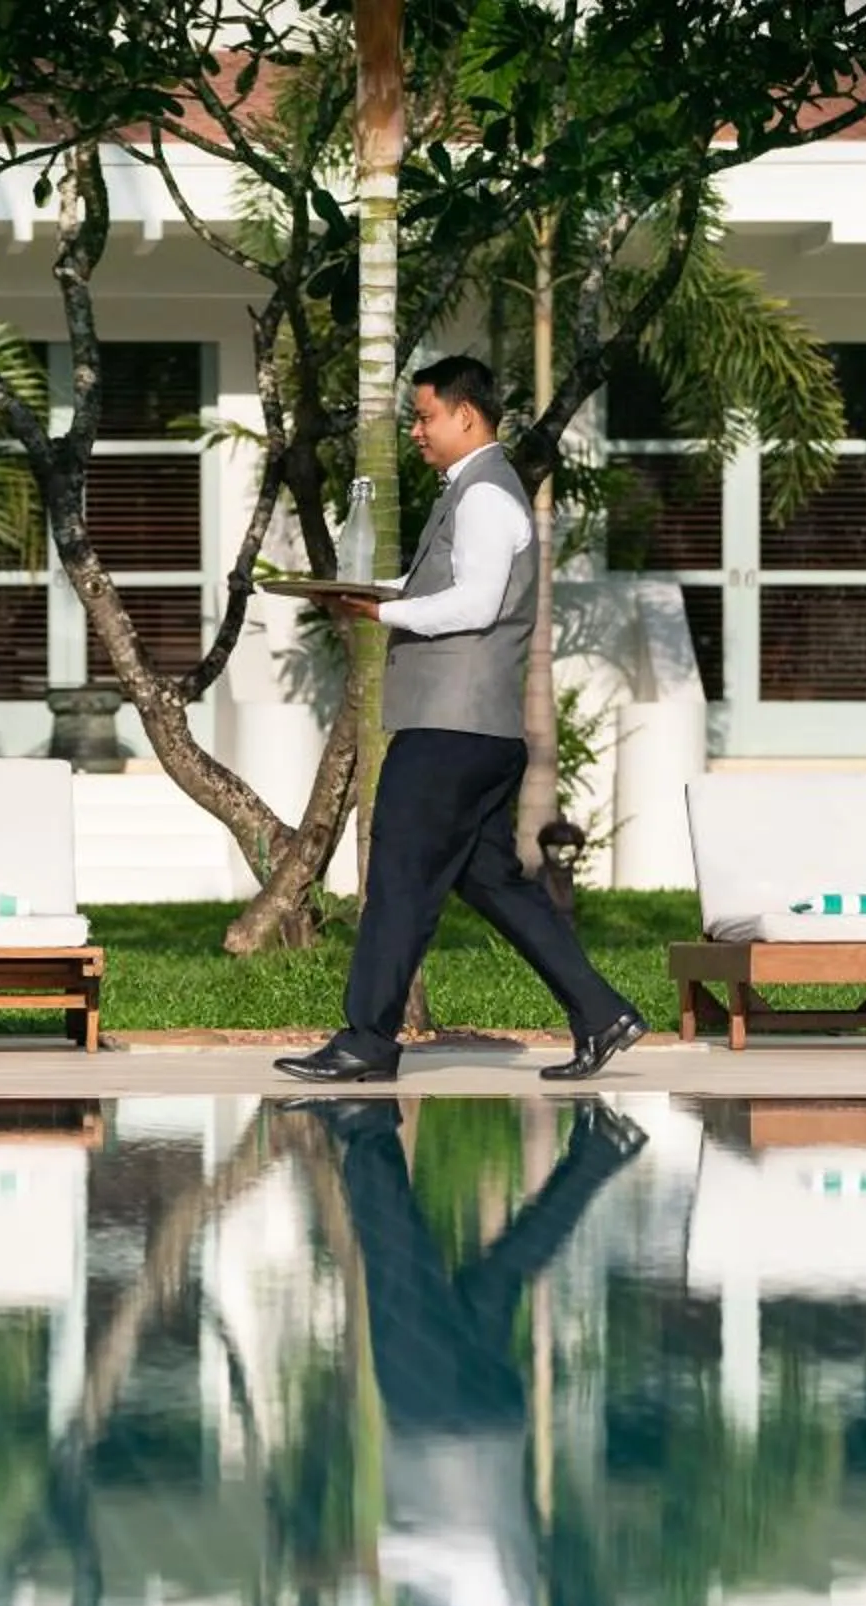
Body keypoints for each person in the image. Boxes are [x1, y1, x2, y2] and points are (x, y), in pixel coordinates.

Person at [278, 355, 646, 1086]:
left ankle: (367, 1041)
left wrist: (381, 612)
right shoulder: (473, 493)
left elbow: (476, 605)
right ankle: (602, 1014)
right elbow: (442, 588)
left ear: (465, 416)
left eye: (424, 417)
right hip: (478, 732)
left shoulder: (483, 498)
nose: (416, 431)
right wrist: (357, 594)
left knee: (399, 878)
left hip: (450, 733)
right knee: (492, 884)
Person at [292, 1092, 646, 1606]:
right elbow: (474, 1563)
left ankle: (604, 1148)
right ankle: (365, 1124)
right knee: (396, 1270)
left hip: (483, 1425)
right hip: (444, 1422)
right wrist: (376, 1559)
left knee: (503, 1272)